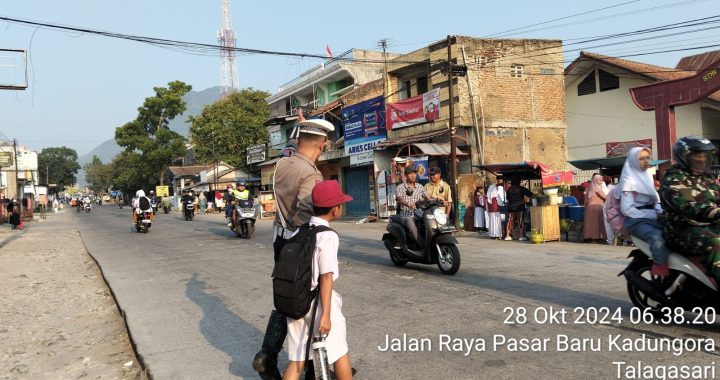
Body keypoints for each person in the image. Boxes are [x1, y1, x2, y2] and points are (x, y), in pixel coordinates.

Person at [253, 113, 334, 380]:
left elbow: (293, 143)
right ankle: (313, 367)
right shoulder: (310, 174)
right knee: (310, 302)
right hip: (300, 245)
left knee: (287, 299)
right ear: (321, 145)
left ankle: (267, 355)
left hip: (280, 240)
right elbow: (305, 212)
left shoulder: (283, 164)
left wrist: (302, 122)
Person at [283, 180, 353, 380]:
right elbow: (326, 276)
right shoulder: (328, 236)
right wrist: (326, 315)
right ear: (335, 209)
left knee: (297, 361)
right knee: (339, 353)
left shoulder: (300, 230)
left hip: (297, 302)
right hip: (319, 303)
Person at [660, 136, 720, 284]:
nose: (701, 159)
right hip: (682, 229)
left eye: (704, 155)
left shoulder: (707, 178)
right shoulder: (675, 179)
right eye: (696, 155)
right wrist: (714, 211)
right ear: (684, 156)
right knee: (716, 243)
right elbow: (689, 205)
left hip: (706, 225)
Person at [616, 147, 669, 277]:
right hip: (636, 220)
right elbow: (627, 209)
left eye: (647, 158)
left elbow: (655, 200)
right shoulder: (629, 181)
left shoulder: (647, 177)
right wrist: (651, 214)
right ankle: (660, 266)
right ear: (633, 161)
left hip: (652, 218)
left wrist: (659, 211)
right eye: (641, 159)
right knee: (657, 238)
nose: (646, 161)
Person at [395, 166, 429, 248]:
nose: (413, 176)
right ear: (406, 175)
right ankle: (423, 247)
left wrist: (440, 201)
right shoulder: (400, 187)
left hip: (419, 212)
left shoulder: (420, 186)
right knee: (411, 224)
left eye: (415, 173)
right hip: (406, 214)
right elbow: (400, 199)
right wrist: (408, 203)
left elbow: (428, 197)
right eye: (411, 174)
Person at [583, 173, 608, 243]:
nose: (601, 182)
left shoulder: (590, 186)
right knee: (596, 223)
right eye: (600, 180)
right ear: (596, 180)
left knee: (590, 223)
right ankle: (596, 237)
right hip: (595, 208)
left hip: (589, 208)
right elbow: (605, 197)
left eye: (601, 180)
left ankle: (588, 237)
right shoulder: (597, 188)